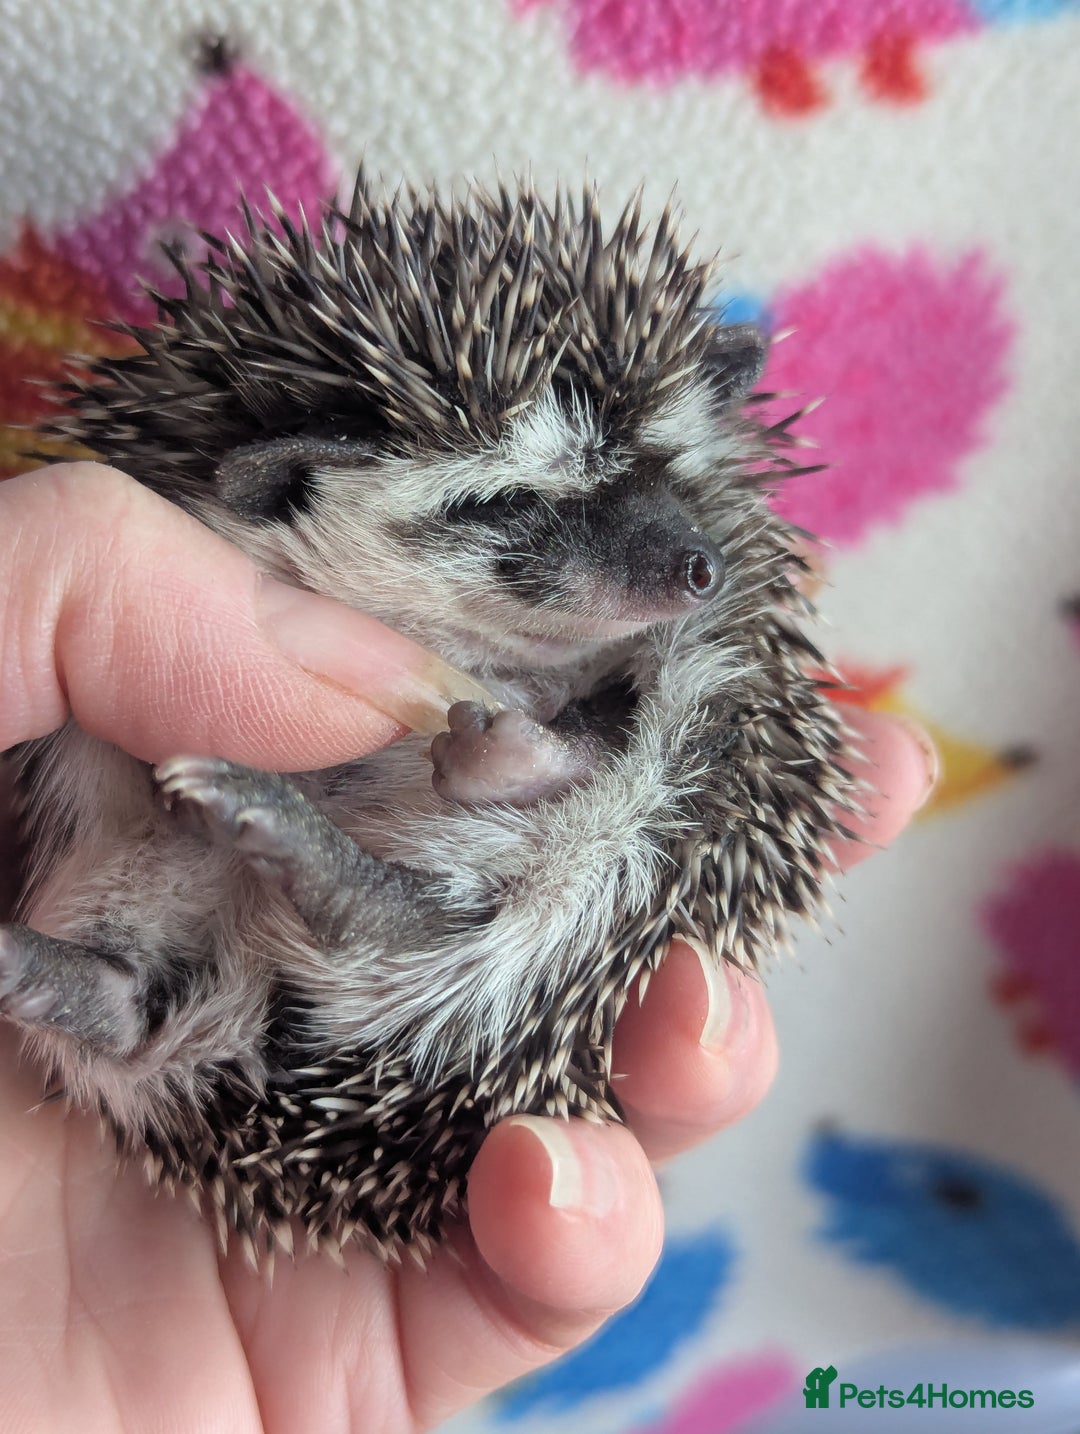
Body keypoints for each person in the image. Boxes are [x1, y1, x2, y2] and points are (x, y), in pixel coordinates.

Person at [0, 462, 934, 1433]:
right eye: (513, 504)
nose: (681, 566)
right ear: (287, 479)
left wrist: (559, 756)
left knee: (607, 858)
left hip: (408, 934)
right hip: (273, 872)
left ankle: (164, 969)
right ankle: (175, 959)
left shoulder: (665, 637)